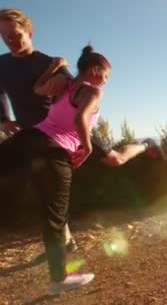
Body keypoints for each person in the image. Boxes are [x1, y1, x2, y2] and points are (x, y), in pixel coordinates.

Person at [0, 8, 164, 255]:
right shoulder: (2, 64)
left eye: (16, 34)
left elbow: (78, 90)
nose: (11, 40)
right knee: (44, 186)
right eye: (4, 36)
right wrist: (4, 119)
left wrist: (59, 73)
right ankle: (63, 244)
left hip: (66, 132)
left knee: (114, 159)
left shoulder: (48, 62)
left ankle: (145, 144)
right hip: (35, 136)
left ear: (29, 32)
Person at [0, 45, 111, 295]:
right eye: (106, 75)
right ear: (95, 70)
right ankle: (59, 279)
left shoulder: (62, 85)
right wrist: (88, 147)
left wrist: (50, 69)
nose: (106, 81)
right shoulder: (93, 90)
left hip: (30, 138)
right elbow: (80, 119)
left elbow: (37, 89)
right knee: (55, 218)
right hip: (54, 152)